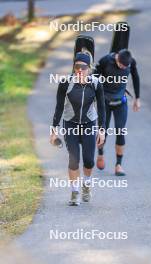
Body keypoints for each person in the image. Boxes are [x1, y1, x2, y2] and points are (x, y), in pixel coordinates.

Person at [50, 52, 106, 206]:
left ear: (89, 68)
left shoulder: (96, 83)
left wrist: (102, 130)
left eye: (83, 67)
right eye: (77, 67)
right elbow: (59, 107)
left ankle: (86, 186)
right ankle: (75, 192)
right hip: (70, 124)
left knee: (88, 160)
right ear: (73, 68)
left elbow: (101, 108)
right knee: (74, 160)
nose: (80, 70)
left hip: (89, 124)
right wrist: (54, 130)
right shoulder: (65, 83)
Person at [94, 49, 141, 176]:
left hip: (121, 101)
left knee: (120, 131)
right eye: (120, 65)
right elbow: (94, 77)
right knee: (103, 130)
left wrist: (137, 98)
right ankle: (100, 154)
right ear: (117, 58)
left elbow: (135, 77)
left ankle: (118, 165)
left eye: (124, 67)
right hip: (105, 102)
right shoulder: (105, 61)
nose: (122, 68)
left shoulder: (130, 63)